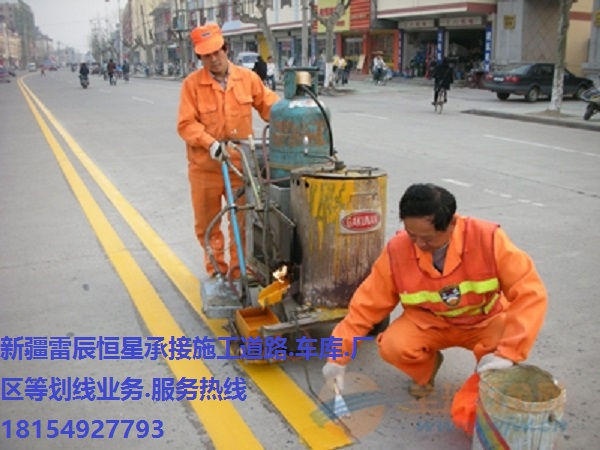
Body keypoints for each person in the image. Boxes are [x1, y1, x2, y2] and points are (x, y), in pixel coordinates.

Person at [322, 183, 547, 400]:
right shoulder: (398, 250)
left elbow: (529, 293)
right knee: (393, 346)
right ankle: (427, 370)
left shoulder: (488, 239)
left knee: (501, 354)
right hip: (429, 323)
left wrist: (509, 353)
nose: (419, 244)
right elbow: (367, 305)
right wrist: (336, 357)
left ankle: (486, 381)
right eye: (412, 235)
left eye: (428, 238)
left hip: (484, 320)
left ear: (452, 223)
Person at [177, 23, 279, 281]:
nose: (213, 59)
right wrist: (210, 143)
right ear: (200, 58)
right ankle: (217, 270)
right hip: (205, 167)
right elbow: (186, 124)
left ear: (226, 49)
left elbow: (271, 107)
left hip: (239, 166)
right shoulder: (192, 85)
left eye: (216, 52)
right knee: (207, 224)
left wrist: (293, 117)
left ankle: (238, 271)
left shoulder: (248, 79)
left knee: (242, 223)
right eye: (206, 56)